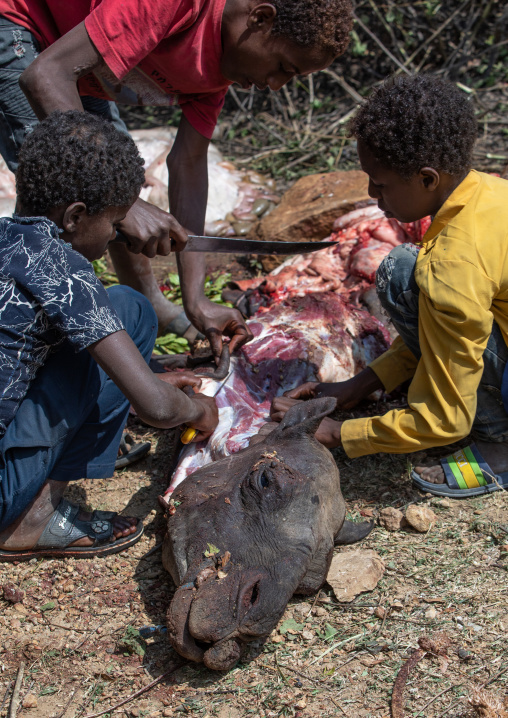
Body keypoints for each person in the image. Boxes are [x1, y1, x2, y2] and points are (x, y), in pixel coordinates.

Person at [0, 0, 353, 359]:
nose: (276, 85)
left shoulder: (219, 67)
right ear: (260, 19)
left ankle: (144, 311)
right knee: (66, 200)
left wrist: (196, 298)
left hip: (75, 59)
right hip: (23, 27)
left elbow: (188, 164)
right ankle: (27, 348)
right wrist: (125, 202)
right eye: (282, 67)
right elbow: (44, 75)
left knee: (117, 179)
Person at [269, 74, 508, 499]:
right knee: (410, 272)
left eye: (379, 184)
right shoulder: (491, 192)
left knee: (402, 272)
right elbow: (441, 331)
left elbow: (444, 420)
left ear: (428, 178)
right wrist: (358, 386)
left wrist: (341, 434)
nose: (370, 194)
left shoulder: (455, 262)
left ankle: (498, 444)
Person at [0, 110, 219, 561]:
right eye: (115, 224)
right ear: (76, 216)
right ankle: (32, 518)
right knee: (131, 309)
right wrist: (196, 408)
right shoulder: (62, 267)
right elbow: (156, 408)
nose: (117, 238)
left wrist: (149, 376)